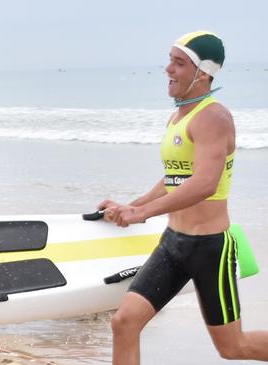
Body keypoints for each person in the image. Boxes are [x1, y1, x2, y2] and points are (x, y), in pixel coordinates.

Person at [99, 31, 268, 364]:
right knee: (124, 322)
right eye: (170, 60)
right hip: (173, 244)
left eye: (179, 63)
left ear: (202, 72)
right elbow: (176, 177)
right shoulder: (178, 117)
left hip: (209, 248)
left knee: (233, 348)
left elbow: (205, 183)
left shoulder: (213, 117)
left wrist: (143, 213)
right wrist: (134, 205)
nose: (168, 70)